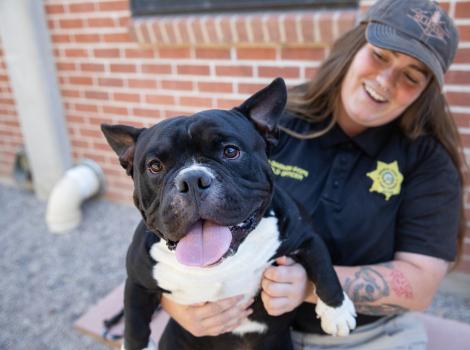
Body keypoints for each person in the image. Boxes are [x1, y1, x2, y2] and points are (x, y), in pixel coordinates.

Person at [160, 0, 465, 348]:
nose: (385, 80)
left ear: (424, 94)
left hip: (365, 336)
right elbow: (179, 212)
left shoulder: (428, 162)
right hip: (250, 329)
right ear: (354, 46)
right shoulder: (274, 123)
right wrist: (176, 304)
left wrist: (311, 283)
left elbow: (420, 285)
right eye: (380, 55)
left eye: (411, 76)